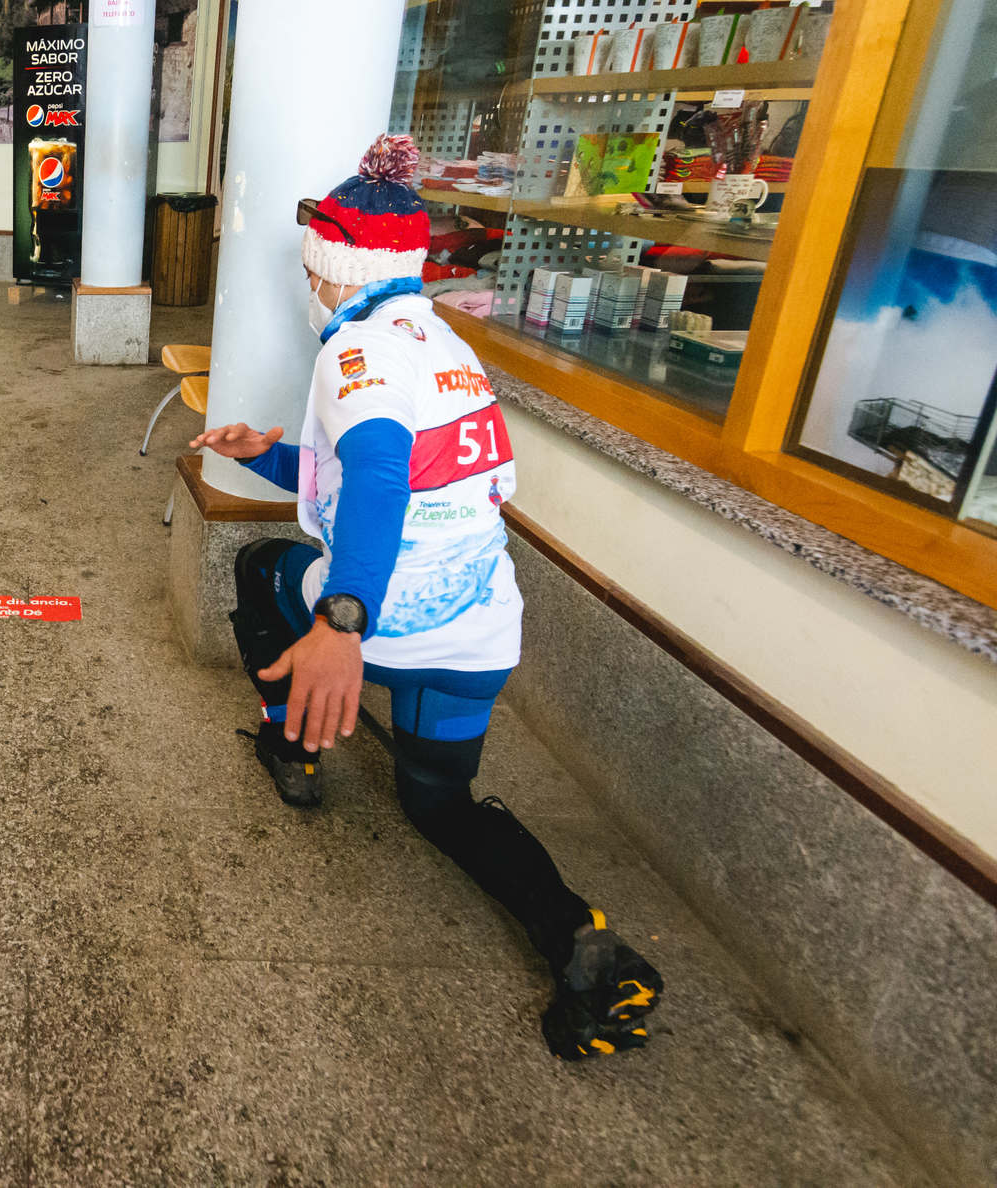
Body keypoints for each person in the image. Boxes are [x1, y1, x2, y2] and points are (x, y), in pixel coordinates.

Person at [191, 134, 663, 1061]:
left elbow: (375, 479)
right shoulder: (443, 341)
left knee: (261, 573)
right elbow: (391, 465)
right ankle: (581, 940)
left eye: (311, 268)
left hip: (388, 624)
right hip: (481, 631)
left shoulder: (356, 353)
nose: (311, 284)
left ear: (333, 267)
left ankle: (294, 749)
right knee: (440, 802)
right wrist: (271, 458)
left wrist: (342, 623)